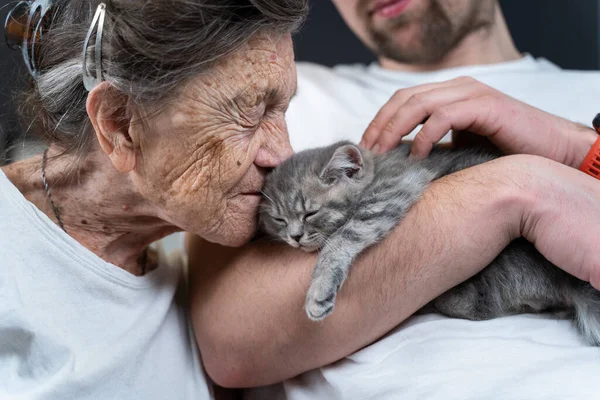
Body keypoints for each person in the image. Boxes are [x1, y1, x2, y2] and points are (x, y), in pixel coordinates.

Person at [187, 0, 600, 398]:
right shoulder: (274, 93)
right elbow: (232, 343)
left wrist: (580, 150)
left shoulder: (591, 91)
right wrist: (517, 189)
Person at [0, 0, 307, 398]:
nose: (283, 156)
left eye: (280, 109)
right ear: (119, 125)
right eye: (247, 114)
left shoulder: (210, 268)